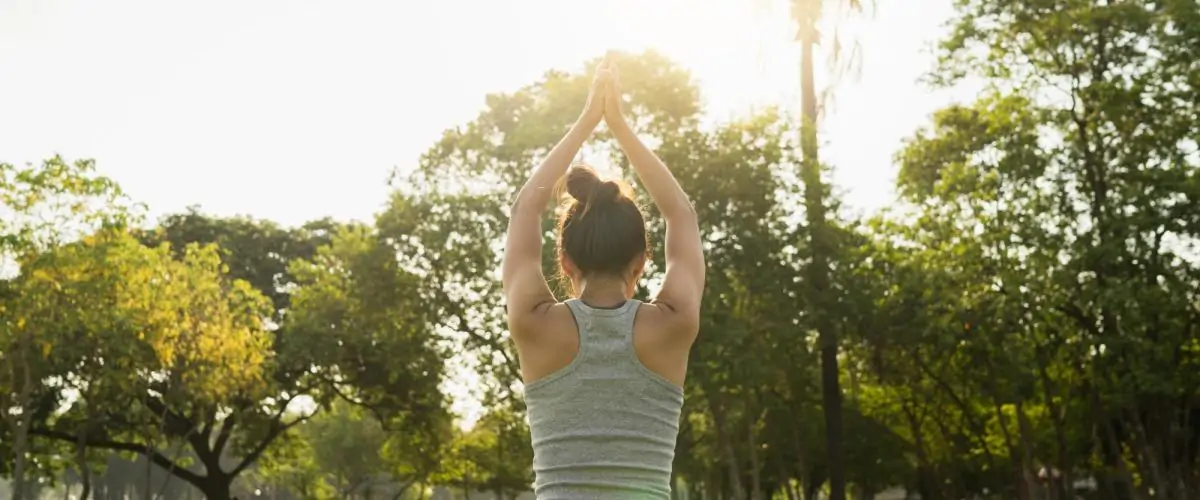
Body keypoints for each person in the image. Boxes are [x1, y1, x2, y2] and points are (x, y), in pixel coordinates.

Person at [502, 55, 706, 499]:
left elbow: (524, 210)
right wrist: (620, 126)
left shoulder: (534, 324)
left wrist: (587, 120)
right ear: (641, 263)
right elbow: (682, 215)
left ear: (566, 262)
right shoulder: (673, 324)